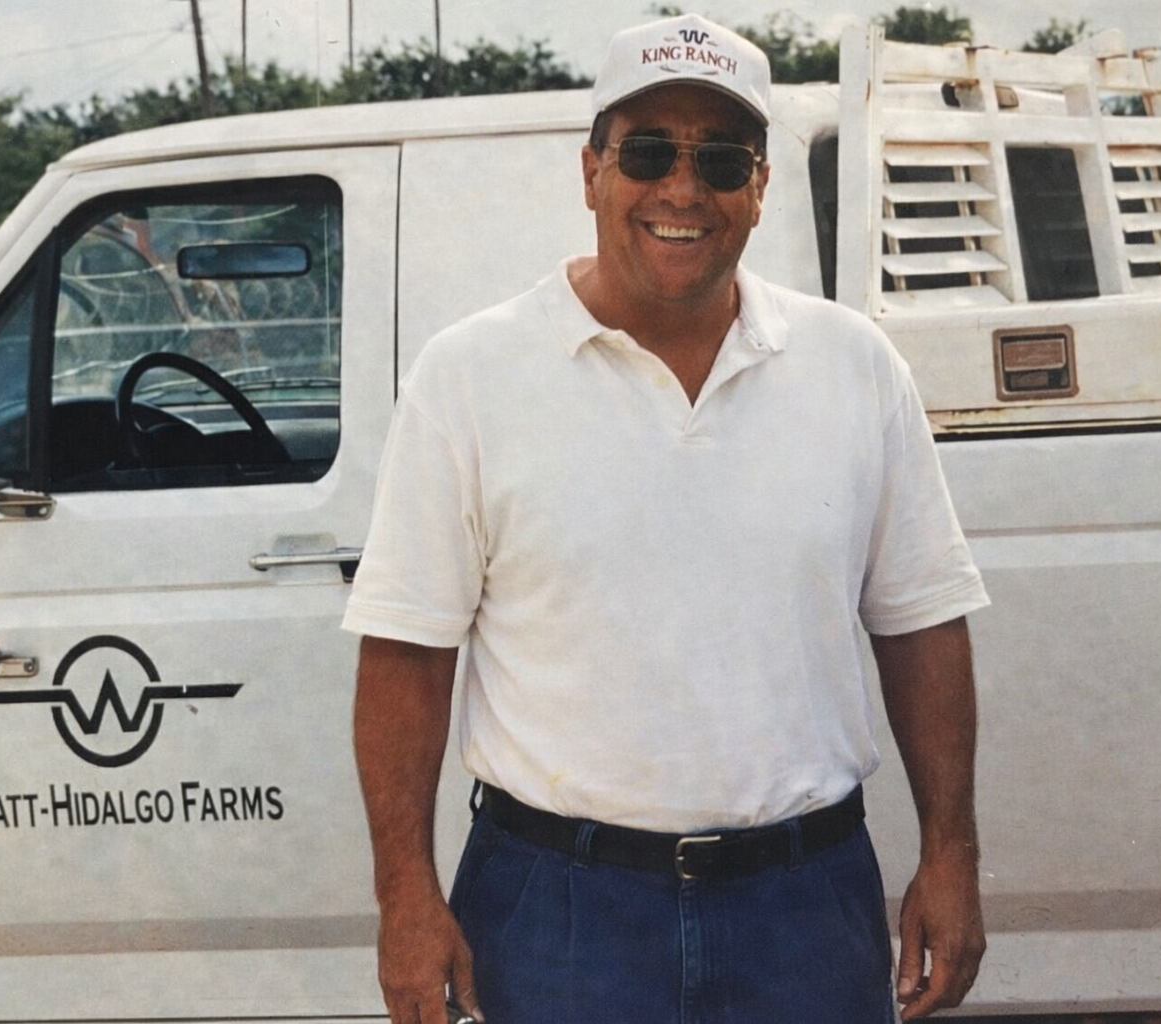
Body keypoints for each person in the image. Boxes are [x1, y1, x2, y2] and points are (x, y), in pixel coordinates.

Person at [345, 13, 990, 1024]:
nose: (683, 189)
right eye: (647, 151)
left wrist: (952, 851)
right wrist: (404, 896)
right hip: (558, 912)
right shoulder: (469, 377)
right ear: (592, 169)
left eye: (722, 157)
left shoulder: (856, 368)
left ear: (761, 186)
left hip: (806, 908)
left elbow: (922, 624)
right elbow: (405, 658)